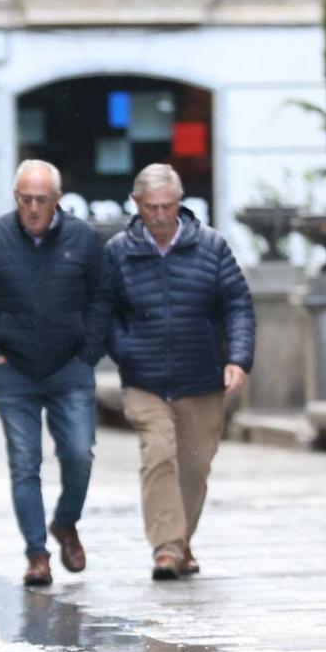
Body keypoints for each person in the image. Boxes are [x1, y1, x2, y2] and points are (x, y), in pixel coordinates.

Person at [0, 160, 110, 587]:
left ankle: (65, 523)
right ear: (15, 198)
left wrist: (88, 353)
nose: (32, 208)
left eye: (40, 200)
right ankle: (37, 554)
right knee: (25, 463)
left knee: (79, 454)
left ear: (57, 201)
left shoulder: (83, 238)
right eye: (24, 199)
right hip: (13, 370)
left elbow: (102, 298)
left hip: (70, 366)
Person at [104, 163, 254, 581]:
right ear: (137, 204)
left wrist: (238, 360)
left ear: (179, 203)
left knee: (195, 465)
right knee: (158, 454)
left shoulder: (212, 246)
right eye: (152, 207)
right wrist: (125, 349)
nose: (161, 215)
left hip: (201, 376)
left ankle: (182, 541)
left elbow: (237, 306)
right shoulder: (118, 250)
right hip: (144, 378)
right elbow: (104, 312)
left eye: (169, 206)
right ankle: (166, 550)